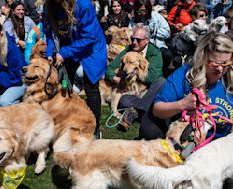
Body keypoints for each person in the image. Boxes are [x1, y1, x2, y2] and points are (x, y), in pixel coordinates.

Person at [145, 31, 233, 140]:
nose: (220, 69)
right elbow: (157, 109)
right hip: (187, 140)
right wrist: (182, 104)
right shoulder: (184, 74)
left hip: (220, 143)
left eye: (225, 63)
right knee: (149, 129)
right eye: (214, 63)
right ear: (203, 58)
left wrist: (232, 136)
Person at [43, 0, 107, 138]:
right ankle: (67, 122)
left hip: (91, 49)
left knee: (91, 86)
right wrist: (50, 52)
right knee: (65, 85)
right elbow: (49, 34)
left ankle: (94, 128)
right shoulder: (48, 6)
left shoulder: (83, 5)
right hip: (67, 48)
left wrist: (64, 53)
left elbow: (89, 36)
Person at [105, 24, 164, 131]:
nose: (134, 42)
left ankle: (135, 112)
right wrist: (115, 78)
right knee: (124, 100)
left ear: (146, 40)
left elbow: (152, 77)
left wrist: (136, 74)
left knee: (161, 82)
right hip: (134, 92)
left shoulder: (155, 53)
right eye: (133, 39)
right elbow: (110, 68)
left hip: (149, 90)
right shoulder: (128, 50)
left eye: (138, 40)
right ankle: (143, 111)